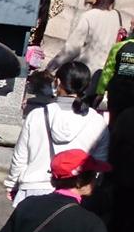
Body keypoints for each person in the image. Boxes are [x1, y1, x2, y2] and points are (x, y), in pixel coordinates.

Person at [8, 61, 108, 205]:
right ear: (86, 86)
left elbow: (20, 157)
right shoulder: (97, 121)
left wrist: (12, 184)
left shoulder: (36, 115)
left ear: (57, 82)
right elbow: (99, 163)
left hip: (32, 189)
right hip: (74, 194)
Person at [48, 0, 124, 76]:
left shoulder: (89, 16)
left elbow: (72, 49)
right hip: (105, 73)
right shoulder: (116, 15)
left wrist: (50, 68)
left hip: (85, 72)